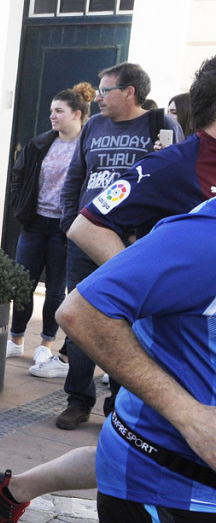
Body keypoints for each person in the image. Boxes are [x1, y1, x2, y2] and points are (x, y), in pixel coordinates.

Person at [0, 54, 216, 523]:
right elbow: (85, 223)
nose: (101, 97)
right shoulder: (176, 167)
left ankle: (11, 489)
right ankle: (13, 487)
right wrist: (145, 295)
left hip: (165, 426)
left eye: (110, 89)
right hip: (162, 405)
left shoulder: (152, 136)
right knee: (122, 436)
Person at [53, 193, 216, 523]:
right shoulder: (203, 238)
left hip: (174, 485)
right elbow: (81, 311)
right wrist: (189, 414)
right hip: (170, 484)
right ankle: (13, 487)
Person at [56, 62, 183, 430]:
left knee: (126, 324)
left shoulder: (160, 123)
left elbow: (171, 180)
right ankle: (78, 399)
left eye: (106, 89)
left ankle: (118, 404)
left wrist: (145, 234)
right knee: (79, 317)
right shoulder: (93, 126)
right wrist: (70, 222)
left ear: (130, 92)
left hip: (132, 244)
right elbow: (76, 176)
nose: (96, 97)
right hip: (86, 236)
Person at [6, 82, 95, 369]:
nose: (52, 117)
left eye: (59, 111)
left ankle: (45, 344)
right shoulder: (40, 143)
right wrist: (20, 207)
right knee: (23, 284)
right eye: (51, 111)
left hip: (65, 228)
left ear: (77, 114)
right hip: (34, 224)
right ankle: (16, 340)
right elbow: (18, 176)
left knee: (56, 290)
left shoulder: (87, 146)